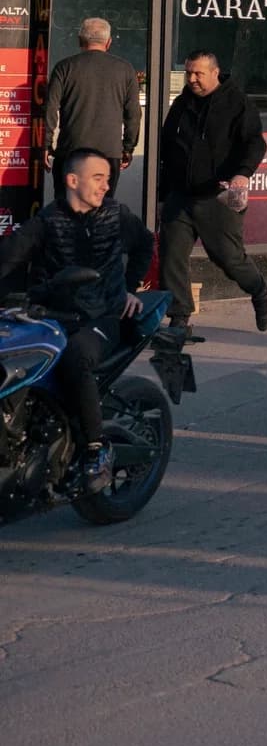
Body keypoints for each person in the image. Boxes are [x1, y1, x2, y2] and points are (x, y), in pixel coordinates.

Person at [0, 148, 154, 493]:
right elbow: (6, 259)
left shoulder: (117, 216)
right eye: (98, 178)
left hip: (102, 317)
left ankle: (94, 450)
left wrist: (130, 288)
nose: (106, 186)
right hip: (50, 318)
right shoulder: (46, 223)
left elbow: (145, 244)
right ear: (72, 181)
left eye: (108, 179)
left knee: (75, 357)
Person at [157, 50, 267, 332]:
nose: (192, 79)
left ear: (214, 72)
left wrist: (242, 174)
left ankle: (259, 291)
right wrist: (163, 195)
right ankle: (179, 318)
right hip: (181, 196)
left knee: (228, 258)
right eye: (188, 73)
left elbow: (254, 143)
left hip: (217, 196)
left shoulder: (237, 103)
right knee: (171, 254)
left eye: (198, 73)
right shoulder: (182, 104)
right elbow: (167, 148)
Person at [43, 18, 142, 199]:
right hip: (108, 152)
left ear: (80, 40)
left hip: (71, 151)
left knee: (66, 211)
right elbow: (133, 114)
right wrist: (128, 147)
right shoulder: (125, 70)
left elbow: (50, 108)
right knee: (102, 211)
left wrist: (46, 144)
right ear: (108, 42)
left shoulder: (64, 68)